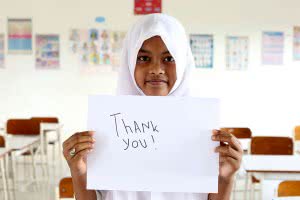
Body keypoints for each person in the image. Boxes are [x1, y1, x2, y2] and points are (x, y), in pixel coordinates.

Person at [63, 13, 243, 200]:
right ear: (129, 61)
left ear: (183, 62)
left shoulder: (204, 133)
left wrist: (225, 177)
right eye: (143, 58)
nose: (156, 69)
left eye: (169, 58)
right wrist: (80, 173)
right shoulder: (107, 131)